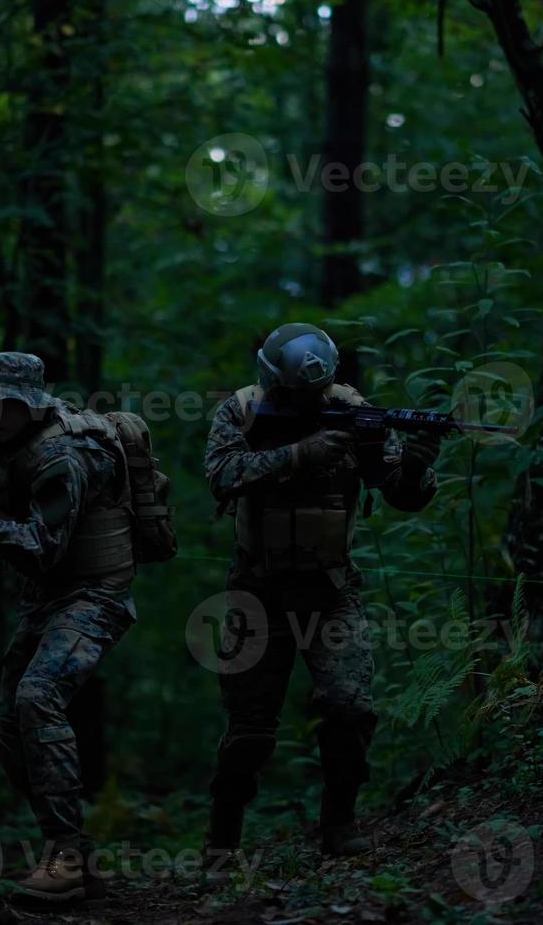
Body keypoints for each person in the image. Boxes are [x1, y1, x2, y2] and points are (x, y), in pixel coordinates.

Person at [202, 323, 440, 861]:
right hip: (256, 592)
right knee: (250, 732)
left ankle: (339, 825)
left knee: (350, 707)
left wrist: (419, 467)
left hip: (330, 588)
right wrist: (301, 453)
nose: (308, 399)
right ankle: (221, 843)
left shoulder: (357, 412)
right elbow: (220, 475)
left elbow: (398, 491)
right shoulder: (241, 410)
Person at [0, 352, 137, 904]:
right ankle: (73, 853)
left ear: (24, 406)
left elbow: (43, 549)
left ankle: (67, 856)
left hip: (95, 594)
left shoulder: (64, 454)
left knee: (38, 697)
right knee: (10, 732)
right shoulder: (3, 446)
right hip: (48, 599)